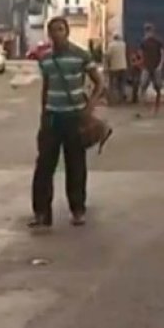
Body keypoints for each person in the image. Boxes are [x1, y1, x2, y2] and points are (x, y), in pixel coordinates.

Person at [31, 17, 105, 230]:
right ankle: (42, 214)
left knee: (76, 166)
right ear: (49, 34)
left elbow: (99, 82)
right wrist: (43, 113)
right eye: (53, 30)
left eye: (61, 29)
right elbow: (46, 87)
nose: (57, 34)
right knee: (44, 167)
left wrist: (90, 107)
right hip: (52, 118)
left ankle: (78, 210)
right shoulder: (45, 59)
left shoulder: (81, 55)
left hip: (74, 118)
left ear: (67, 31)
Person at [137, 23, 164, 114]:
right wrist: (142, 64)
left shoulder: (158, 42)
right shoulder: (143, 42)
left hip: (155, 67)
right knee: (143, 86)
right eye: (147, 31)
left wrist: (160, 65)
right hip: (146, 67)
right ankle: (143, 107)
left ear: (152, 31)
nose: (148, 33)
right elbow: (140, 54)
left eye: (149, 31)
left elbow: (162, 54)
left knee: (157, 87)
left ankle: (156, 107)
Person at [105, 33, 128, 104]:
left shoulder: (111, 45)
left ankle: (110, 100)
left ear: (114, 38)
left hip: (114, 67)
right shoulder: (123, 44)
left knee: (111, 84)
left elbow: (108, 56)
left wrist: (107, 66)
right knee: (122, 83)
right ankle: (122, 98)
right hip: (123, 66)